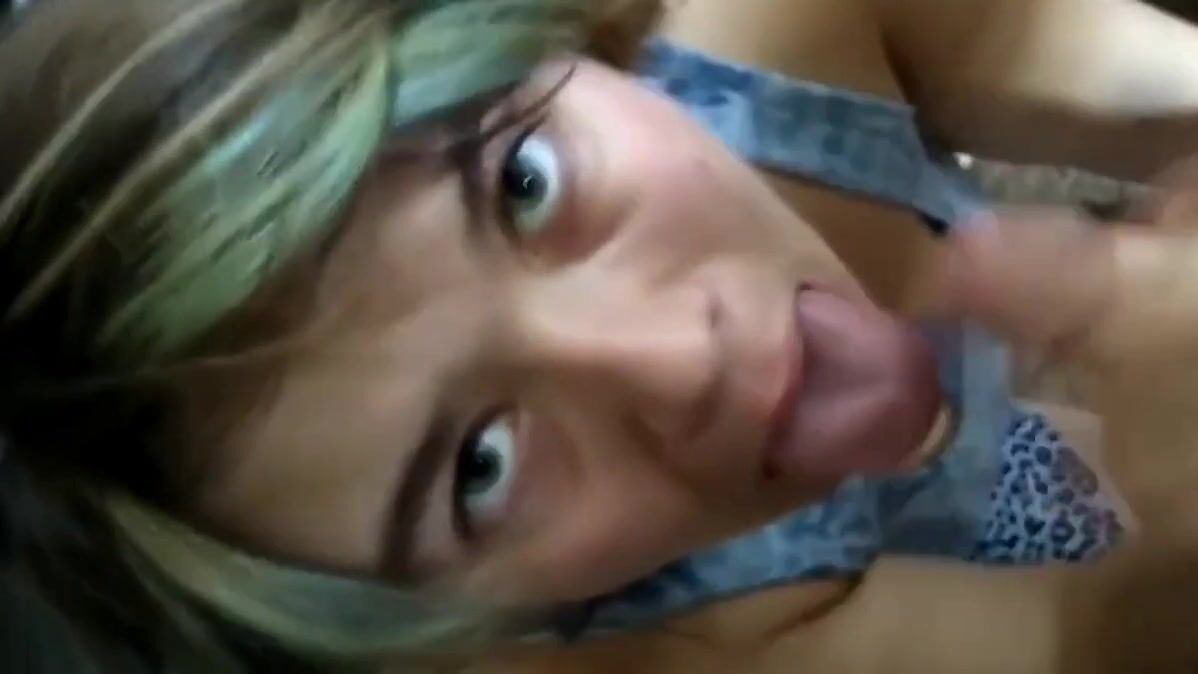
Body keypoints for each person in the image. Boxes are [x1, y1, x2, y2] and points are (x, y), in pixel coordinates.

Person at [1, 1, 1198, 674]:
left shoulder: (765, 27)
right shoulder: (672, 649)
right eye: (480, 468)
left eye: (522, 183)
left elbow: (1023, 43)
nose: (684, 357)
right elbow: (1080, 638)